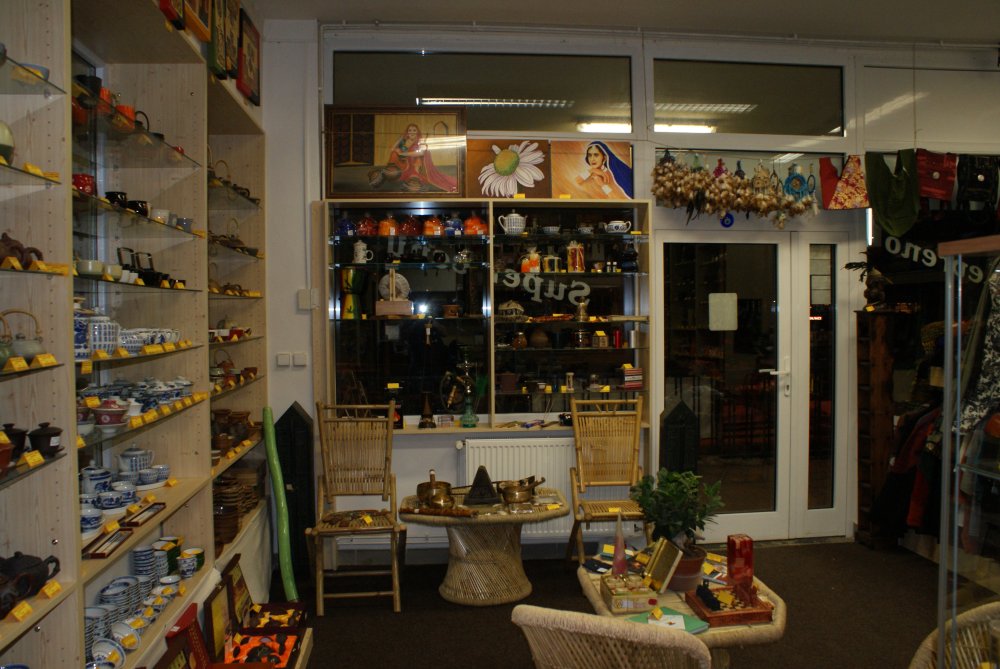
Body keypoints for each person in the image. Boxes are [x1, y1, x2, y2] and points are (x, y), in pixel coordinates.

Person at [384, 123, 457, 192]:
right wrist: (400, 139)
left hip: (418, 165)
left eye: (414, 130)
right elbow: (393, 149)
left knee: (417, 159)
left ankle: (415, 176)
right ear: (407, 132)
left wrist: (404, 154)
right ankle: (392, 170)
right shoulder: (405, 142)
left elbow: (421, 153)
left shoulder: (421, 141)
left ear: (417, 132)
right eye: (410, 130)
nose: (412, 132)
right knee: (395, 152)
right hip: (406, 164)